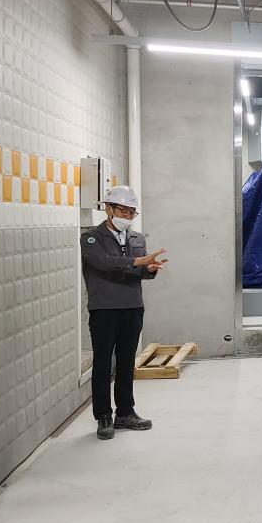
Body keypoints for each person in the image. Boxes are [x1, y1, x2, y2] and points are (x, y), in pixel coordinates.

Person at [81, 186, 167, 441]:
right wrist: (137, 262)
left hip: (132, 306)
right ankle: (103, 416)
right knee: (102, 363)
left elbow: (136, 272)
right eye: (123, 211)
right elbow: (104, 264)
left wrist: (149, 269)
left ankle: (125, 413)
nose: (128, 216)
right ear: (109, 209)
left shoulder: (137, 238)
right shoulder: (91, 238)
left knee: (127, 362)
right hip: (104, 309)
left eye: (132, 212)